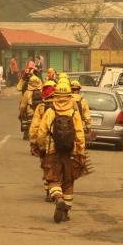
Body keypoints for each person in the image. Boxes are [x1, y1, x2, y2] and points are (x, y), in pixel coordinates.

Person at [37, 78, 88, 223]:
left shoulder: (50, 111)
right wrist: (80, 152)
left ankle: (58, 198)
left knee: (53, 179)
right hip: (70, 153)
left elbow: (41, 133)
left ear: (55, 95)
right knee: (68, 182)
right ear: (70, 95)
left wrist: (41, 148)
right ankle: (66, 211)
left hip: (52, 152)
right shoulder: (74, 112)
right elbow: (79, 134)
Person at [29, 80, 57, 201]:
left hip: (46, 142)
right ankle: (58, 189)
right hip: (61, 142)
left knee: (47, 166)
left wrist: (34, 143)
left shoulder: (41, 107)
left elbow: (35, 127)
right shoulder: (63, 105)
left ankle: (49, 190)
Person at [19, 73, 44, 137]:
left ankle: (27, 133)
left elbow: (22, 106)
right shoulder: (42, 91)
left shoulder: (27, 93)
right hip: (41, 113)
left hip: (30, 114)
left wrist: (22, 114)